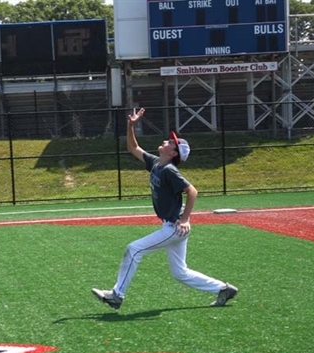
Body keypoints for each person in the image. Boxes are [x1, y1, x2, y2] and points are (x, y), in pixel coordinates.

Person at [92, 108, 238, 310]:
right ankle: (223, 289)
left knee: (133, 249)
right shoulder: (156, 162)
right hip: (172, 226)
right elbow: (133, 148)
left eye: (171, 142)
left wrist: (186, 219)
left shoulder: (169, 170)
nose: (166, 141)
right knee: (180, 273)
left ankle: (117, 295)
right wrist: (130, 125)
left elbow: (192, 191)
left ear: (174, 153)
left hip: (174, 228)